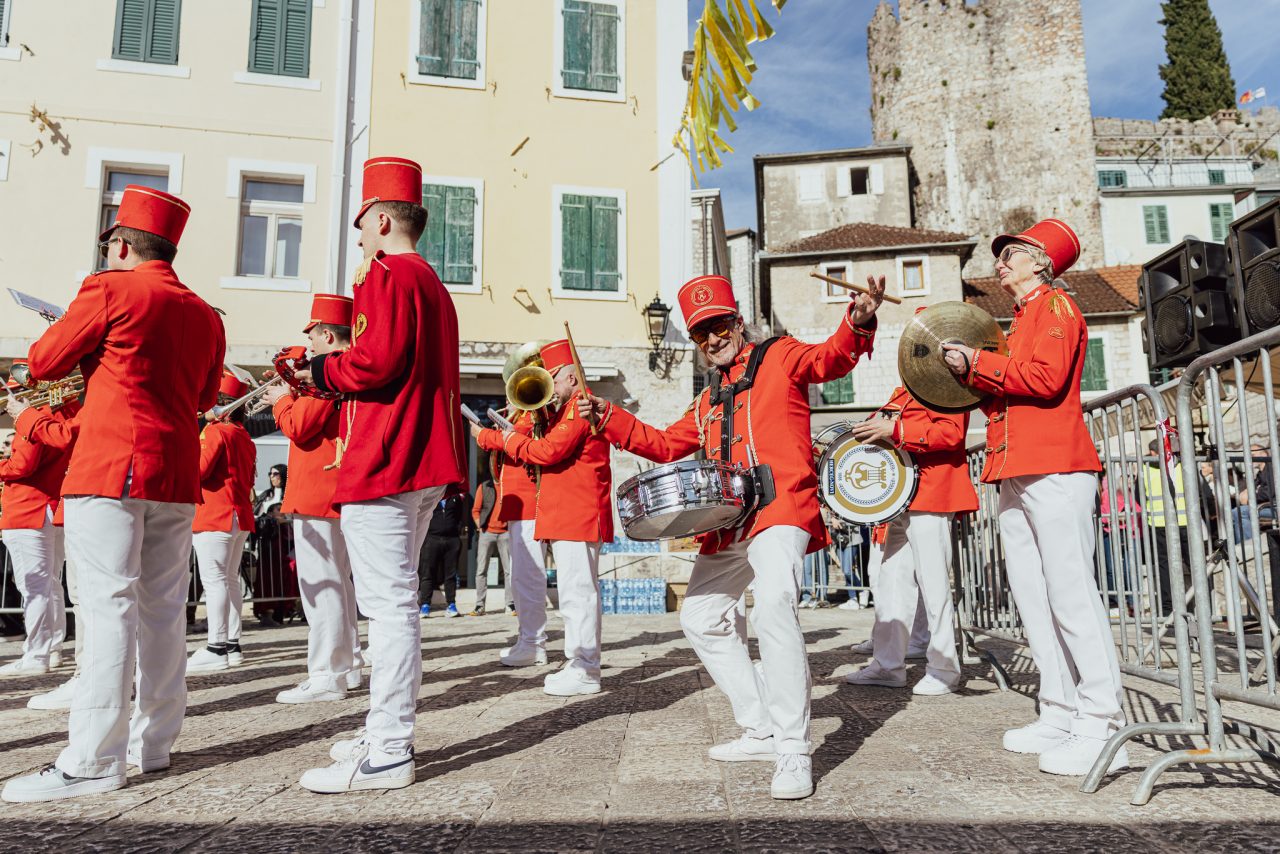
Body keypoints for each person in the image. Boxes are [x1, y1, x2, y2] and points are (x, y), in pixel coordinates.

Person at [579, 273, 882, 800]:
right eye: (701, 334)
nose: (712, 339)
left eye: (719, 326)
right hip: (729, 525)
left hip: (781, 507)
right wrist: (606, 415)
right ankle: (761, 724)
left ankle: (792, 748)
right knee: (698, 617)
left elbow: (829, 358)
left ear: (738, 322)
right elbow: (660, 443)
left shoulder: (781, 355)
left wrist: (857, 321)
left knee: (774, 603)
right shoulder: (705, 402)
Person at [2, 185, 225, 802]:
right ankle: (153, 744)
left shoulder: (108, 288)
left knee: (105, 610)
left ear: (120, 244)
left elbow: (44, 361)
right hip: (174, 474)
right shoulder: (206, 313)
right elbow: (206, 396)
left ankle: (92, 761)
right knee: (161, 610)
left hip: (110, 467)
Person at [293, 156, 466, 794]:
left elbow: (374, 364)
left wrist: (323, 373)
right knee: (394, 605)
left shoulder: (387, 272)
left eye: (363, 222)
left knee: (389, 609)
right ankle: (382, 733)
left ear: (384, 218)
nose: (359, 235)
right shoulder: (434, 284)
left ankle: (390, 748)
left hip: (386, 456)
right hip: (422, 458)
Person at [941, 218, 1125, 778]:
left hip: (1056, 465)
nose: (1001, 263)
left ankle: (1102, 720)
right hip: (1017, 466)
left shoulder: (1057, 308)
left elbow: (1044, 380)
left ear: (1041, 262)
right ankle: (1059, 707)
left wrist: (978, 364)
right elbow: (1012, 387)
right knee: (1034, 596)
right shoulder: (1021, 319)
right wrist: (970, 374)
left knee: (1070, 593)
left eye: (1012, 254)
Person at [473, 339, 613, 697]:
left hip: (577, 511)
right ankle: (579, 663)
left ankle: (584, 666)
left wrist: (499, 438)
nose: (549, 385)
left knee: (578, 593)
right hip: (567, 512)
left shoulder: (580, 409)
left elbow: (548, 451)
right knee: (572, 592)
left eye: (553, 377)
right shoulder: (563, 411)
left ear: (570, 377)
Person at [842, 380, 977, 695]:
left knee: (935, 586)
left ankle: (944, 669)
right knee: (891, 584)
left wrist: (896, 430)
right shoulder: (904, 390)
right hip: (900, 496)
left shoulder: (945, 386)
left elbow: (951, 433)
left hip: (932, 491)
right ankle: (887, 666)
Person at [264, 294, 365, 703]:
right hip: (336, 487)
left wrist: (280, 400)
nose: (311, 346)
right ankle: (349, 665)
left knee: (321, 585)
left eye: (314, 337)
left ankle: (328, 673)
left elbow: (299, 426)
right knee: (339, 584)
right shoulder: (344, 369)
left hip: (318, 490)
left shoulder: (328, 373)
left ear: (326, 333)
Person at [0, 368, 79, 676]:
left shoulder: (32, 419)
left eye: (12, 394)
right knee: (49, 586)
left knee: (34, 587)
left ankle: (37, 653)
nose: (10, 401)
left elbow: (22, 464)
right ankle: (53, 648)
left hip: (27, 508)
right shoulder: (55, 415)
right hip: (47, 507)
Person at [187, 374, 257, 674]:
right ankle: (232, 644)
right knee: (228, 581)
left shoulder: (216, 431)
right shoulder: (243, 434)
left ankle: (216, 646)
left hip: (215, 513)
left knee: (215, 581)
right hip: (237, 514)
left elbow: (199, 471)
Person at [493, 408, 550, 666]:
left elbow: (518, 439)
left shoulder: (533, 416)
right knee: (519, 578)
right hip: (520, 508)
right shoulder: (519, 416)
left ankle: (533, 643)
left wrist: (484, 434)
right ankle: (527, 639)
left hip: (530, 505)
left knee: (528, 577)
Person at [251, 463, 297, 626]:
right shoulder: (265, 496)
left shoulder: (290, 495)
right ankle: (266, 611)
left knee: (284, 575)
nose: (272, 476)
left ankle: (283, 609)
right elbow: (256, 514)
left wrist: (282, 521)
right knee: (266, 576)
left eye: (276, 473)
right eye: (270, 473)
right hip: (267, 542)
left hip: (286, 543)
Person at [468, 468, 514, 616]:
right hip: (487, 532)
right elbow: (475, 510)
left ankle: (510, 604)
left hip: (506, 533)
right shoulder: (485, 486)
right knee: (481, 570)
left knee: (509, 571)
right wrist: (479, 527)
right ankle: (480, 605)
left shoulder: (509, 486)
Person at [419, 484, 467, 617]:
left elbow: (460, 516)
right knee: (428, 573)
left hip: (451, 540)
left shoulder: (455, 497)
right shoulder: (430, 497)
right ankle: (425, 605)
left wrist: (456, 531)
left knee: (450, 575)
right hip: (432, 539)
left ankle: (451, 605)